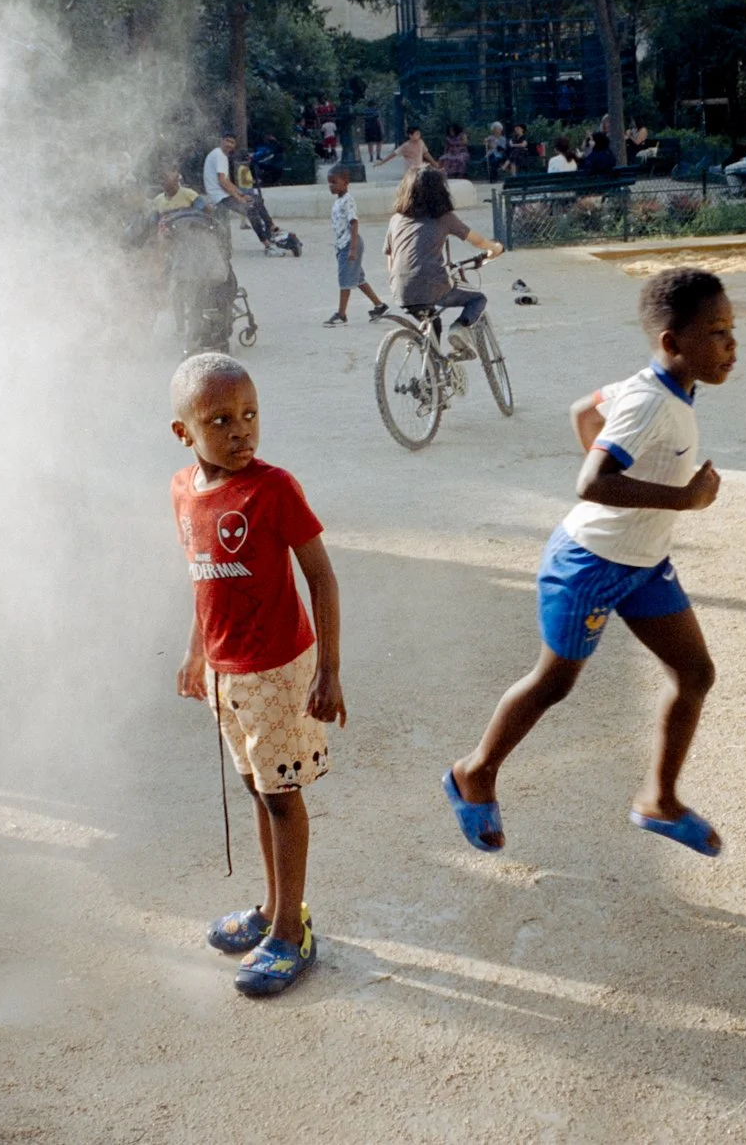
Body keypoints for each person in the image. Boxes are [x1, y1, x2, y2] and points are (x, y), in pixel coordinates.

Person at [443, 267, 736, 859]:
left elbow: (583, 411)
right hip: (590, 564)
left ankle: (659, 799)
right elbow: (592, 480)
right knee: (554, 682)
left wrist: (646, 500)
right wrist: (684, 499)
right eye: (717, 333)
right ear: (673, 344)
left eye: (732, 330)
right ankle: (474, 773)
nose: (731, 346)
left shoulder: (657, 385)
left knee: (695, 674)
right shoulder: (652, 403)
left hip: (643, 563)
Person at [169, 353, 346, 997]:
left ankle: (292, 933)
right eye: (220, 420)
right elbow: (202, 576)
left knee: (281, 797)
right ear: (184, 431)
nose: (241, 430)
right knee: (256, 788)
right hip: (226, 674)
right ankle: (272, 908)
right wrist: (197, 652)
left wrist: (327, 669)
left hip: (277, 673)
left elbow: (321, 577)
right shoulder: (183, 491)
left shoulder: (274, 489)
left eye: (250, 414)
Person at [383, 166, 504, 359]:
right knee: (477, 299)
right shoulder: (444, 218)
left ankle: (432, 379)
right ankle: (459, 328)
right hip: (433, 284)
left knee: (434, 324)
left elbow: (390, 258)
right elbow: (478, 241)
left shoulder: (396, 219)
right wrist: (495, 248)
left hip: (400, 290)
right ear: (440, 191)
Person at [204, 133, 296, 255]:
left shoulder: (221, 155)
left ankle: (272, 228)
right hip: (219, 197)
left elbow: (227, 181)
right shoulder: (219, 155)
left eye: (232, 142)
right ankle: (268, 245)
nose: (229, 144)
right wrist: (239, 198)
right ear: (222, 141)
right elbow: (222, 182)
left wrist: (241, 194)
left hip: (224, 194)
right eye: (227, 141)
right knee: (251, 210)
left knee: (257, 199)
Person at [323, 165, 387, 327]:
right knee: (358, 278)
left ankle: (341, 314)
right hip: (343, 245)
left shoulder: (348, 200)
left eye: (335, 182)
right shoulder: (339, 201)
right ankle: (379, 305)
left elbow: (354, 222)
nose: (331, 186)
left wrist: (352, 248)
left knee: (345, 280)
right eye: (329, 183)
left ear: (345, 182)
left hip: (350, 245)